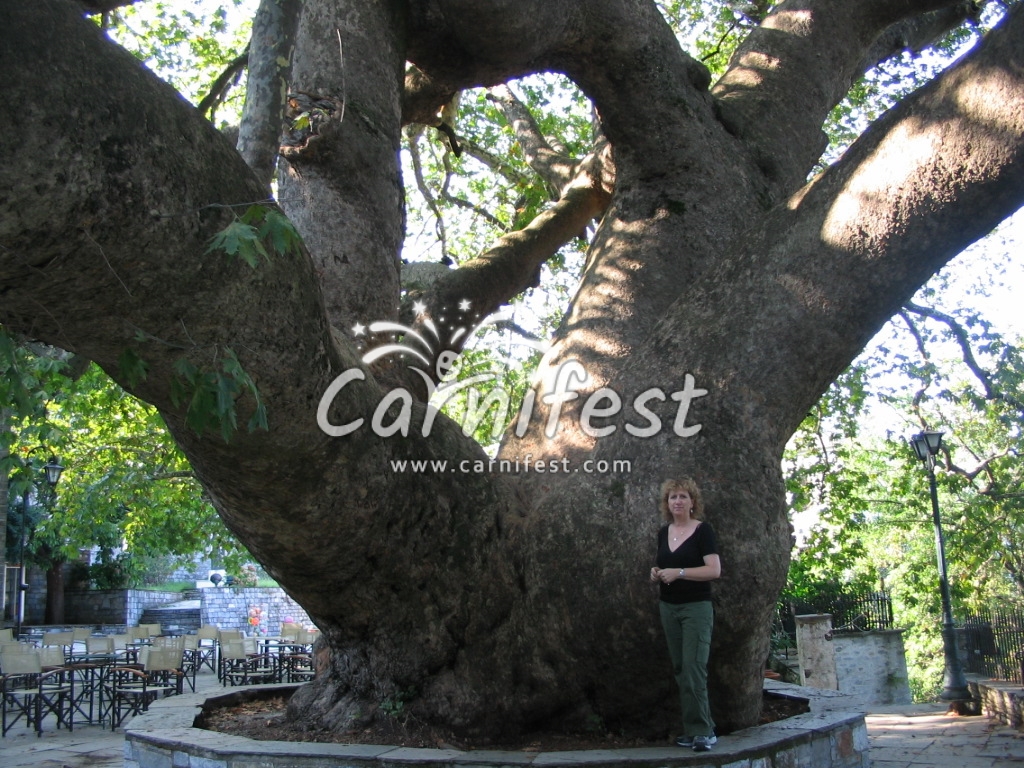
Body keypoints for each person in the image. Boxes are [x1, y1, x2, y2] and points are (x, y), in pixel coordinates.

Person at [650, 477, 721, 752]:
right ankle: (696, 728)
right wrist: (656, 573)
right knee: (681, 669)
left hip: (696, 608)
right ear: (666, 503)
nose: (677, 501)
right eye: (672, 497)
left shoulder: (703, 531)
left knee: (694, 668)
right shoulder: (663, 532)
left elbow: (714, 570)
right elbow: (662, 564)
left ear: (693, 502)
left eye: (682, 496)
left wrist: (679, 573)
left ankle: (704, 732)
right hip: (668, 607)